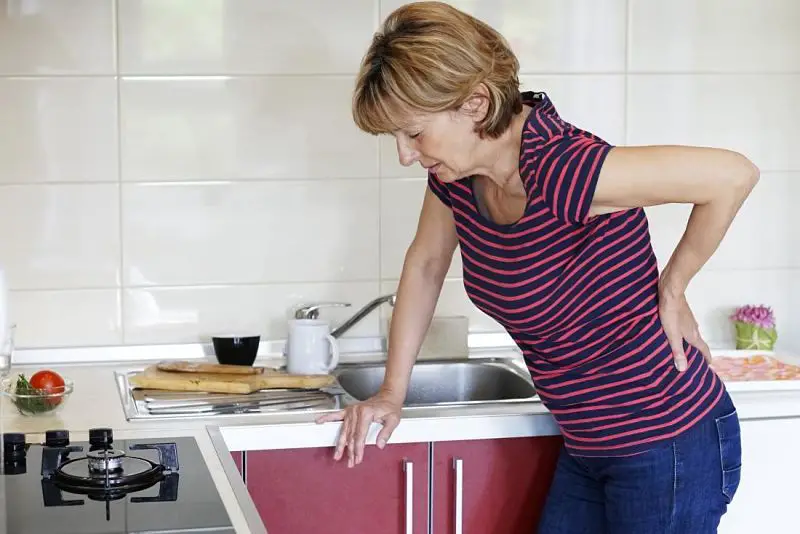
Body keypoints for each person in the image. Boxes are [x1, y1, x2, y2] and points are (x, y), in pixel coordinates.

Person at [316, 2, 757, 531]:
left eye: (413, 133)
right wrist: (392, 391)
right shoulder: (458, 178)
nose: (406, 155)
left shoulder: (561, 167)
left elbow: (732, 175)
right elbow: (428, 262)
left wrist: (674, 287)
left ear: (474, 103)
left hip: (666, 442)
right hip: (588, 440)